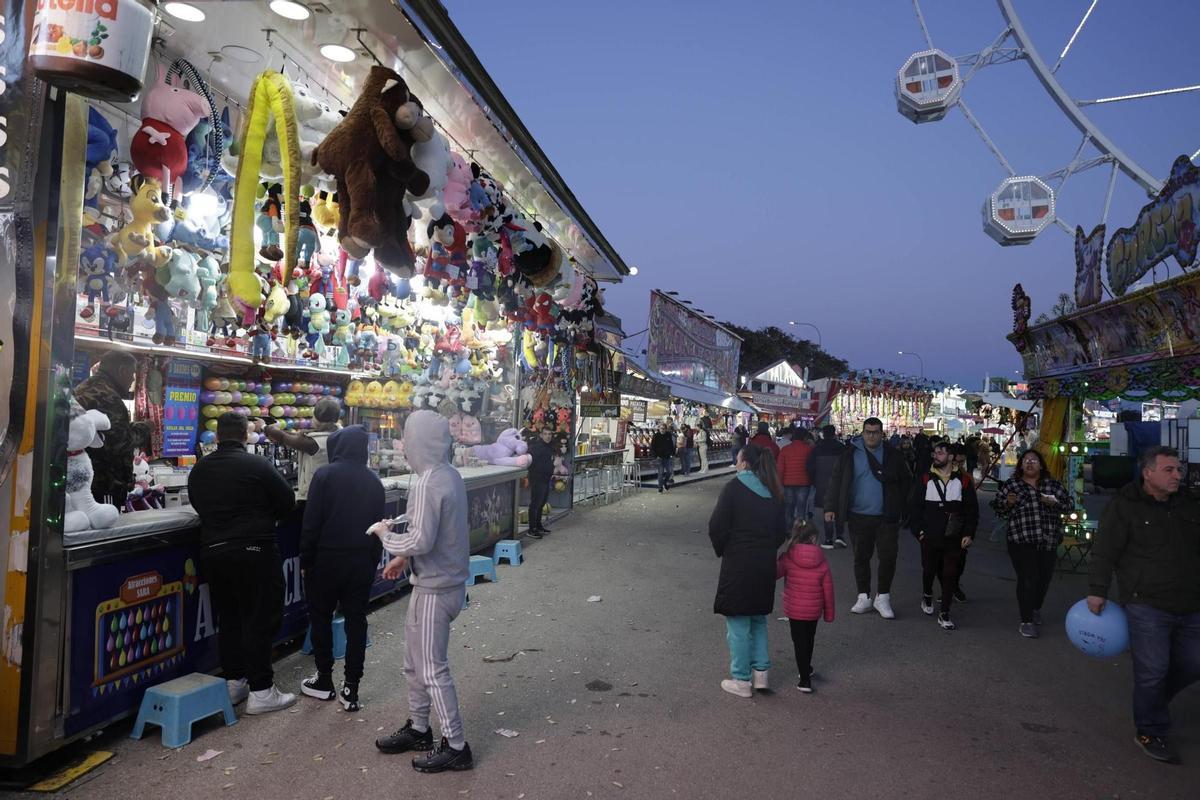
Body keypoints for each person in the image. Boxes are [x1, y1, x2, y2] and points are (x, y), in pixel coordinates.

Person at [371, 410, 474, 773]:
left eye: (408, 440)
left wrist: (387, 538)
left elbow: (421, 537)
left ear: (421, 442)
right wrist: (402, 557)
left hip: (436, 588)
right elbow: (433, 533)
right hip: (439, 582)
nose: (405, 447)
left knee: (430, 669)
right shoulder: (447, 475)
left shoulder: (430, 481)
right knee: (414, 665)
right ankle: (418, 728)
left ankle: (456, 745)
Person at [1088, 446, 1200, 764]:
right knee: (1152, 670)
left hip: (1191, 601)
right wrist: (1097, 590)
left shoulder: (1189, 505)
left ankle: (1152, 701)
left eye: (1179, 470)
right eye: (1169, 470)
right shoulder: (1124, 505)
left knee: (1193, 663)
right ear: (1147, 472)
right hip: (1145, 602)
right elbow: (1105, 550)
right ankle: (1150, 730)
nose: (1177, 475)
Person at [187, 412, 297, 714]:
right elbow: (287, 500)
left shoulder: (200, 469)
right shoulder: (257, 464)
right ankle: (261, 690)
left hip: (214, 551)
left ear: (218, 436)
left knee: (230, 617)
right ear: (246, 435)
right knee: (259, 617)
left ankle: (234, 681)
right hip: (254, 550)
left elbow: (197, 504)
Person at [299, 425, 384, 712]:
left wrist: (306, 560)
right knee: (356, 621)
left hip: (326, 561)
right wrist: (371, 561)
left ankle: (324, 680)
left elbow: (311, 524)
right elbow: (379, 529)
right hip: (360, 561)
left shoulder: (324, 475)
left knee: (321, 617)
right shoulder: (374, 481)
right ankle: (352, 688)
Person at [708, 444, 787, 697]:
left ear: (744, 464)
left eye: (737, 460)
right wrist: (766, 549)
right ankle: (761, 675)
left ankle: (741, 680)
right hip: (764, 564)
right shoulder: (773, 490)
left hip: (739, 563)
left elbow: (717, 526)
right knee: (758, 619)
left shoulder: (734, 487)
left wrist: (725, 548)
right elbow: (781, 531)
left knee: (738, 622)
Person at [824, 417, 912, 619]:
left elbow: (907, 481)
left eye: (875, 432)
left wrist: (901, 505)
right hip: (858, 515)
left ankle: (883, 597)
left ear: (882, 434)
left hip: (886, 517)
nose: (871, 435)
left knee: (888, 557)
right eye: (868, 432)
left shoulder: (893, 455)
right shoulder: (849, 454)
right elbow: (836, 481)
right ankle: (863, 596)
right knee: (861, 557)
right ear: (862, 433)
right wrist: (830, 507)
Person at [990, 449, 1072, 638]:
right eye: (1026, 460)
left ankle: (1035, 607)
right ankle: (1026, 620)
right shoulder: (1012, 485)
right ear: (1020, 465)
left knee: (1043, 580)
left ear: (1041, 465)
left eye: (1034, 460)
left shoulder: (1053, 486)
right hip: (1021, 540)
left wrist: (1054, 503)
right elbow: (998, 509)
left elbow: (1069, 505)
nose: (1029, 463)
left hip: (1048, 540)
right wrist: (1008, 503)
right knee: (1028, 579)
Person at [908, 441, 978, 630]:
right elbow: (915, 508)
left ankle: (945, 613)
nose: (936, 456)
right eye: (935, 453)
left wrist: (969, 533)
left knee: (950, 574)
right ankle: (927, 595)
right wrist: (919, 532)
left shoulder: (963, 481)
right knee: (929, 570)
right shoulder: (925, 479)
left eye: (940, 453)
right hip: (930, 536)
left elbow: (972, 510)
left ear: (951, 457)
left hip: (954, 537)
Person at [73, 350, 150, 509]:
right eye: (132, 373)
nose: (133, 379)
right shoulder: (107, 397)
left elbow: (110, 432)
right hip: (104, 484)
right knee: (106, 529)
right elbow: (121, 442)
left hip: (84, 481)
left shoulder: (85, 388)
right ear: (122, 371)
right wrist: (147, 427)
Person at [776, 520, 835, 693]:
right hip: (813, 610)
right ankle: (806, 668)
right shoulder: (822, 562)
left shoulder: (788, 558)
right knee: (809, 640)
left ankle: (804, 679)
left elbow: (775, 573)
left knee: (799, 642)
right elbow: (828, 590)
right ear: (814, 538)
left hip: (795, 610)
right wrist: (829, 614)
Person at [263, 396, 342, 500]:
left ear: (318, 416)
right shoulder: (339, 435)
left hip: (314, 495)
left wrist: (265, 428)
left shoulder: (315, 442)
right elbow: (293, 437)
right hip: (332, 490)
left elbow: (285, 438)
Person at [811, 425, 847, 550]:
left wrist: (814, 481)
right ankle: (840, 536)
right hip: (839, 483)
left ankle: (828, 538)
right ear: (834, 434)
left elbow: (810, 467)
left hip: (821, 483)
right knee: (839, 507)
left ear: (823, 434)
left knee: (827, 509)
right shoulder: (842, 448)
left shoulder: (817, 449)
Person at [776, 428, 815, 530]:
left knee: (789, 508)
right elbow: (813, 466)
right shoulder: (809, 449)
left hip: (787, 483)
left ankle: (789, 530)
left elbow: (780, 468)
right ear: (805, 437)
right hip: (804, 483)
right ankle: (799, 531)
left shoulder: (785, 449)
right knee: (801, 509)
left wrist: (779, 483)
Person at [525, 425, 555, 538]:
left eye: (550, 434)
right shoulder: (536, 447)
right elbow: (530, 461)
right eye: (545, 434)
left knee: (542, 503)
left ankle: (538, 525)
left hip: (546, 479)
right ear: (541, 435)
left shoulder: (549, 447)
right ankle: (531, 529)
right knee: (535, 504)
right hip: (537, 478)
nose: (548, 436)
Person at [650, 421, 677, 492]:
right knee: (661, 472)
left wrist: (672, 454)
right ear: (659, 429)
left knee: (669, 471)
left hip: (667, 457)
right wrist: (655, 456)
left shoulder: (668, 435)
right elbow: (652, 447)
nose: (662, 430)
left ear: (666, 429)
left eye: (664, 428)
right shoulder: (656, 436)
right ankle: (660, 487)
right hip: (659, 457)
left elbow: (671, 445)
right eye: (661, 428)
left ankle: (664, 482)